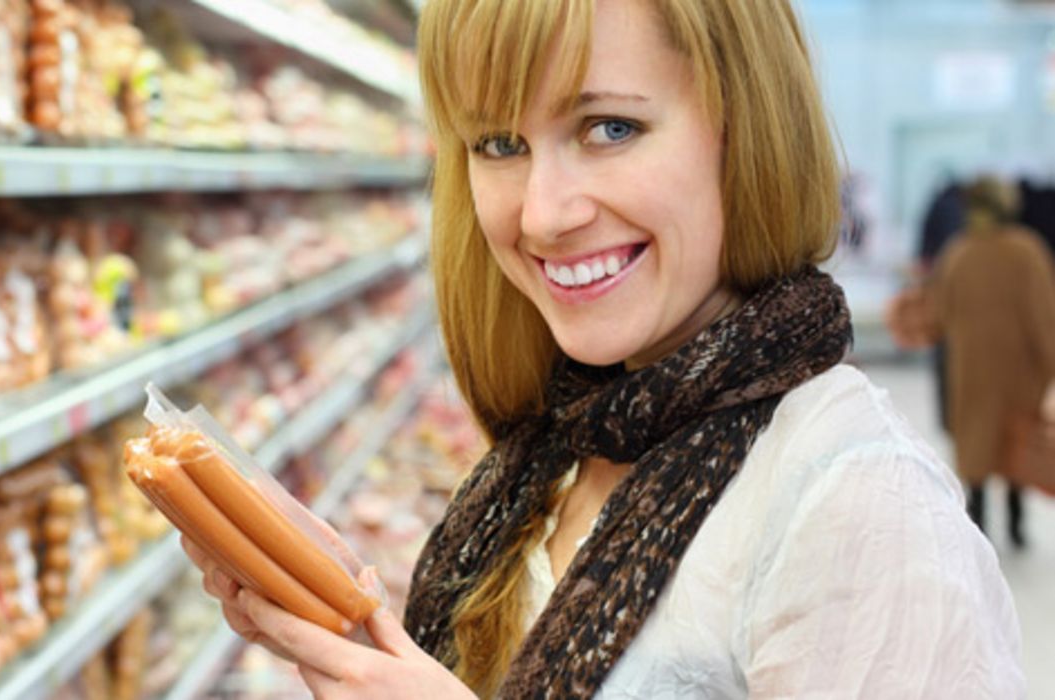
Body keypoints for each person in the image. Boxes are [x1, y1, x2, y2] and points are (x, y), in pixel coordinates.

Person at [182, 0, 1025, 697]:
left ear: (744, 129)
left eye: (609, 127)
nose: (543, 215)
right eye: (499, 145)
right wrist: (356, 628)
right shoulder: (566, 443)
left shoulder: (856, 503)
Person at [930, 176, 1055, 549]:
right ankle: (1017, 524)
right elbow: (1044, 316)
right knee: (1013, 442)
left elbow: (939, 315)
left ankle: (978, 524)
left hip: (971, 370)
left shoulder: (957, 253)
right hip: (1018, 371)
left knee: (976, 446)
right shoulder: (1027, 251)